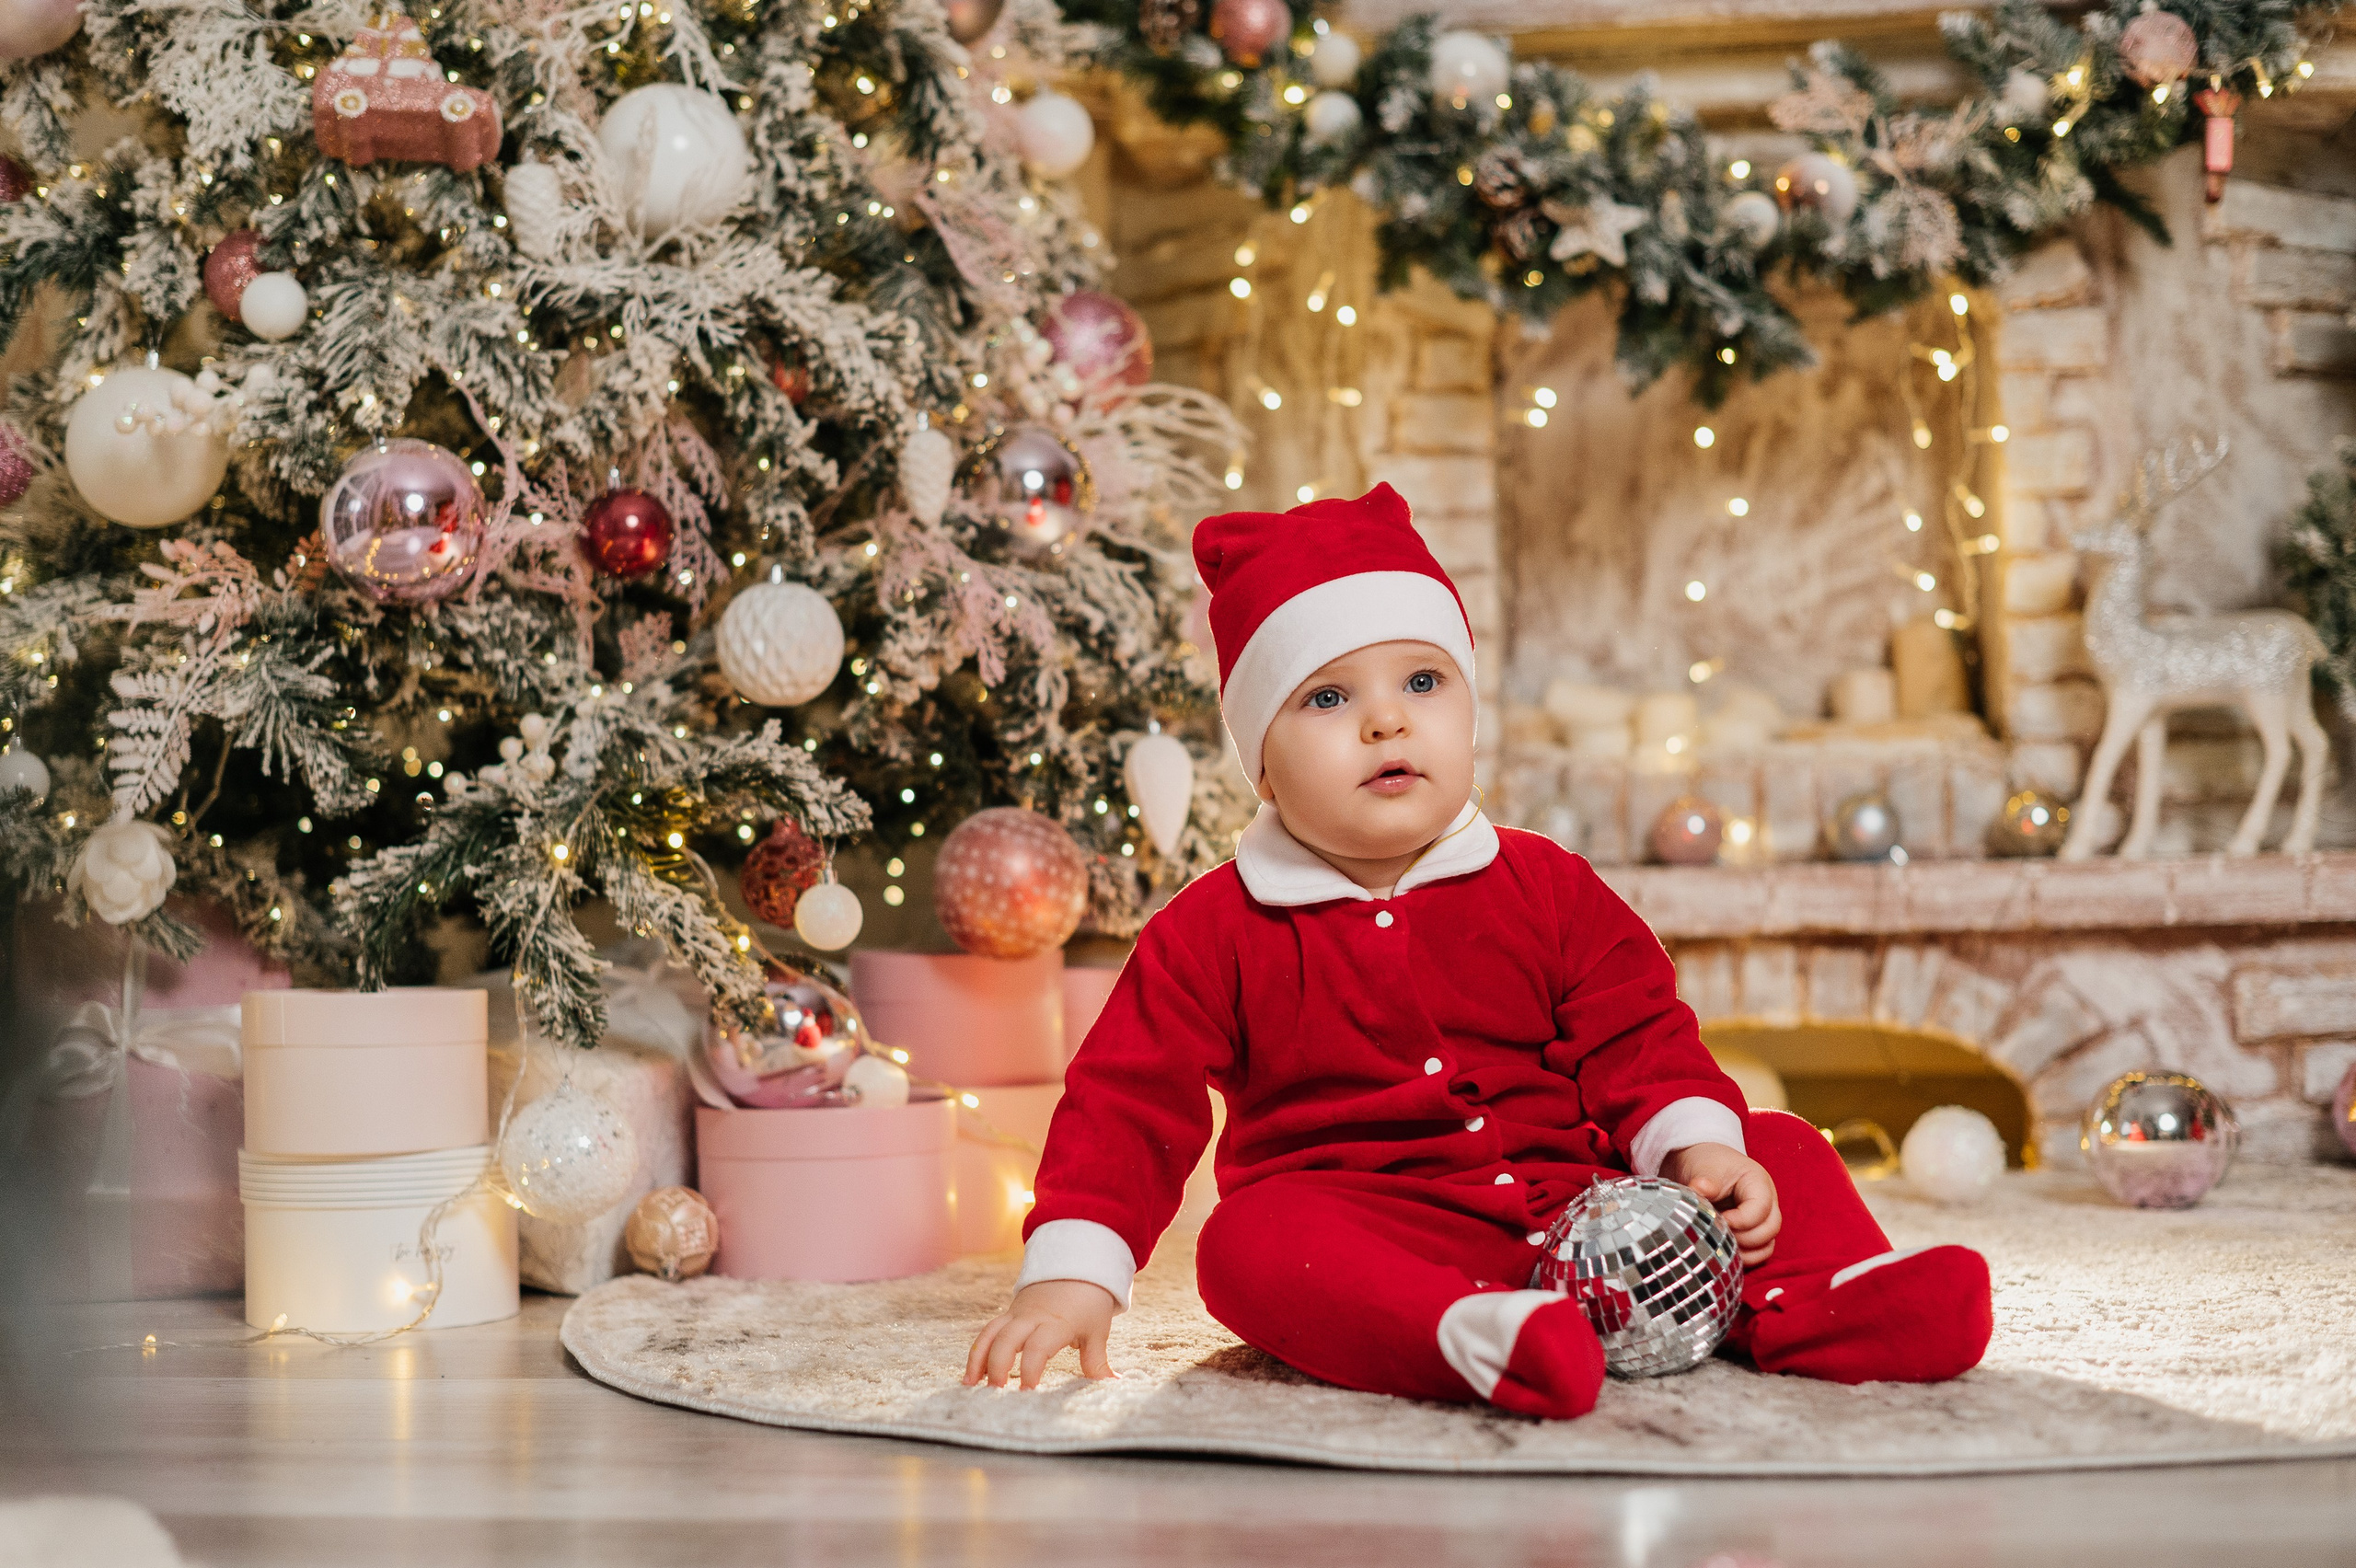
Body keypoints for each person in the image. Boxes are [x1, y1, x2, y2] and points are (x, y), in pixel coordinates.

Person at [963, 484, 1992, 1417]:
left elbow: (1639, 1031)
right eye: (1326, 698)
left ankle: (1807, 1304)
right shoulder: (1211, 931)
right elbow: (1125, 1104)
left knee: (1780, 1144)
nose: (1382, 722)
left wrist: (1695, 1149)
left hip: (1601, 1206)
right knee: (1243, 1248)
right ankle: (1467, 1338)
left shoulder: (1546, 883)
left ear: (1465, 711)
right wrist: (1073, 1272)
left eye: (1421, 682)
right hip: (1387, 1230)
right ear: (1262, 770)